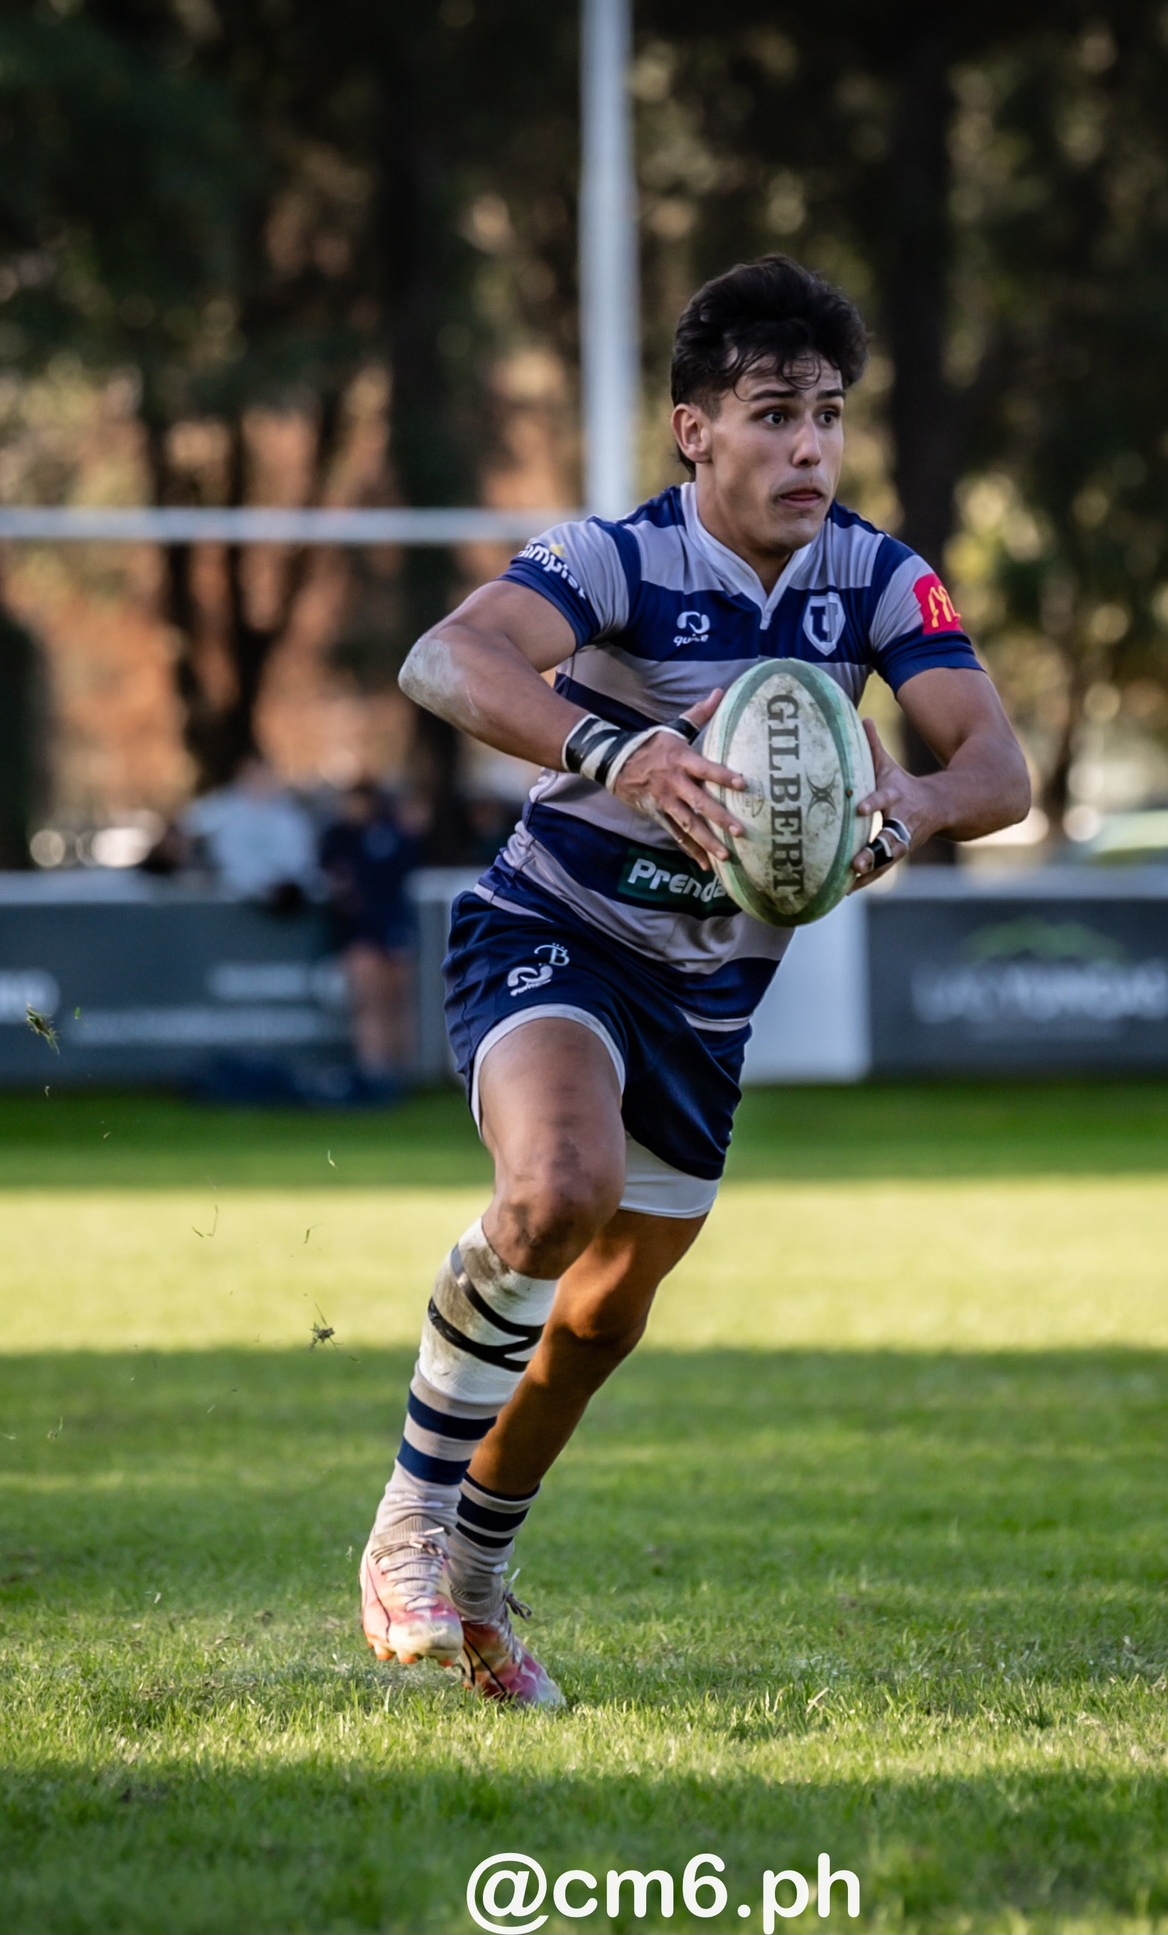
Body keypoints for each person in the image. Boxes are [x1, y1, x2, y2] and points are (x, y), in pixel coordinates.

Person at [357, 256, 1030, 1706]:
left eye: (828, 416)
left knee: (601, 1319)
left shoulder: (875, 576)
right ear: (694, 430)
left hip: (709, 1001)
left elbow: (998, 768)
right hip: (554, 929)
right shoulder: (616, 558)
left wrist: (905, 808)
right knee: (559, 1187)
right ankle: (406, 1523)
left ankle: (476, 1577)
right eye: (773, 414)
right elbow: (444, 659)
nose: (808, 448)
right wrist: (621, 749)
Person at [320, 781, 423, 1091]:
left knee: (398, 1001)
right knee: (368, 1001)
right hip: (359, 930)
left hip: (393, 927)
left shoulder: (392, 834)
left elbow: (404, 871)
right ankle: (375, 1072)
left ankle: (403, 1073)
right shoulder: (337, 838)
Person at [182, 753, 316, 911]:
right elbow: (188, 826)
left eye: (262, 774)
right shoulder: (223, 806)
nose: (258, 780)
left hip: (283, 890)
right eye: (252, 774)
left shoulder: (290, 814)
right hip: (234, 893)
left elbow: (300, 857)